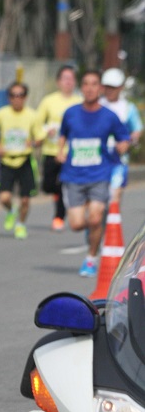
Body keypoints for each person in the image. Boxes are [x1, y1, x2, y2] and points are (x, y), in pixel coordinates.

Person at [57, 69, 130, 278]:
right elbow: (63, 134)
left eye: (94, 84)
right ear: (82, 88)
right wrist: (60, 151)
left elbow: (123, 137)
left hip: (99, 174)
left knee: (96, 218)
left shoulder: (109, 116)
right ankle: (93, 219)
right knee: (77, 224)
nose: (90, 88)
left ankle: (91, 258)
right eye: (86, 84)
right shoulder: (71, 113)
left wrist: (122, 146)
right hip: (73, 176)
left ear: (100, 88)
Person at [0, 81, 43, 240]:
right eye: (13, 95)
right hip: (6, 160)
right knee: (4, 197)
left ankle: (20, 224)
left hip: (24, 160)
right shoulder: (1, 114)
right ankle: (11, 211)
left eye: (20, 95)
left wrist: (32, 143)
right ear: (9, 97)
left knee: (25, 199)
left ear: (25, 97)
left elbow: (40, 138)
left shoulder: (32, 115)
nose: (16, 99)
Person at [35, 65, 82, 231]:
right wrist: (44, 133)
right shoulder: (49, 101)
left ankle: (59, 217)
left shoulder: (79, 102)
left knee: (63, 185)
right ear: (58, 82)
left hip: (72, 152)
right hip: (51, 150)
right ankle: (65, 199)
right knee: (48, 185)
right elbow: (37, 123)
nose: (68, 82)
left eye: (71, 79)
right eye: (65, 78)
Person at [100, 67, 143, 206]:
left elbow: (137, 130)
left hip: (118, 159)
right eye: (107, 87)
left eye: (113, 87)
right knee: (97, 198)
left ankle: (112, 225)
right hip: (97, 157)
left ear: (120, 88)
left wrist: (128, 142)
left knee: (114, 195)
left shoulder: (128, 108)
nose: (109, 90)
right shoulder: (97, 105)